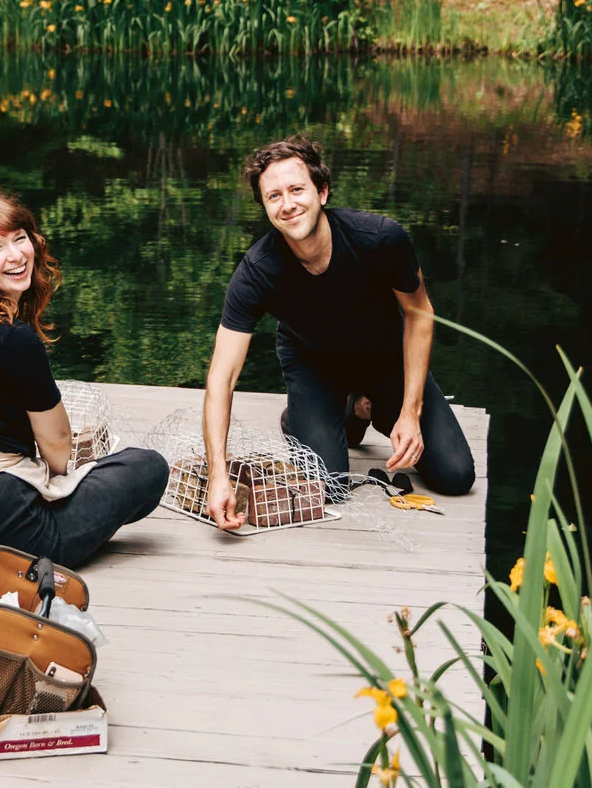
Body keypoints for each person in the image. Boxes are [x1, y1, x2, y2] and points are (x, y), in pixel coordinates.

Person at [200, 136, 474, 530]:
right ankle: (309, 415)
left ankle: (362, 406)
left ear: (322, 191)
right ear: (265, 208)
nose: (288, 204)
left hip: (384, 356)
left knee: (455, 476)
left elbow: (419, 313)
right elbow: (221, 377)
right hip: (313, 361)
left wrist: (410, 412)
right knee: (328, 485)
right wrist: (217, 476)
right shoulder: (256, 272)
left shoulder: (380, 239)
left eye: (297, 189)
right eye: (274, 196)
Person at [0, 190, 170, 576]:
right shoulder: (13, 337)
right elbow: (58, 451)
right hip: (0, 539)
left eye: (20, 238)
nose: (16, 255)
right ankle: (54, 534)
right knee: (146, 467)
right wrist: (67, 482)